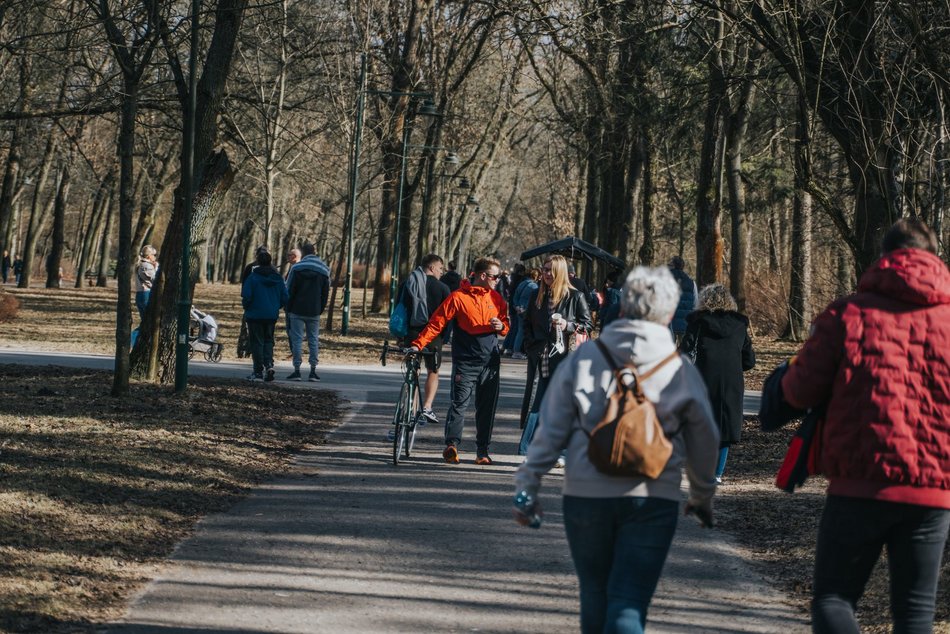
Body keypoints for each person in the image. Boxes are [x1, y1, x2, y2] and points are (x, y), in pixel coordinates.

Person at [514, 265, 720, 634]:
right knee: (628, 601)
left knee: (595, 594)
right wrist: (702, 494)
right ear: (671, 314)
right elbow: (704, 437)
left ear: (622, 308)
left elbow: (551, 429)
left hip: (585, 493)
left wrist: (527, 487)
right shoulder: (679, 369)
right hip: (653, 494)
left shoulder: (585, 358)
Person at [779, 218, 950, 634]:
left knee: (834, 599)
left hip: (859, 481)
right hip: (931, 491)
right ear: (933, 258)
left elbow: (798, 391)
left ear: (884, 258)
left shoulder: (847, 314)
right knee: (915, 612)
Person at [411, 256, 509, 465]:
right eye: (495, 277)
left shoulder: (497, 299)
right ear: (483, 276)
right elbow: (436, 323)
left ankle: (482, 451)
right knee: (459, 404)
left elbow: (506, 324)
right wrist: (418, 344)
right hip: (465, 361)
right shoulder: (458, 297)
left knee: (486, 408)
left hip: (490, 363)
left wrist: (502, 327)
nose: (497, 280)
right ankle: (452, 446)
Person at [679, 283, 755, 483]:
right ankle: (718, 474)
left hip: (702, 378)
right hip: (731, 381)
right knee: (725, 427)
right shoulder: (739, 325)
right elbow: (749, 360)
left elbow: (685, 352)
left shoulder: (698, 323)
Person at [519, 254, 592, 449]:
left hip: (564, 359)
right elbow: (526, 323)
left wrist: (567, 324)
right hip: (540, 356)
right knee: (537, 402)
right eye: (544, 269)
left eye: (551, 270)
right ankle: (527, 448)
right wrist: (530, 344)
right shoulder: (537, 295)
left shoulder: (575, 296)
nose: (547, 274)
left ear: (560, 272)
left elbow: (587, 326)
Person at [398, 253, 450, 426]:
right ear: (432, 267)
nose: (442, 272)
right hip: (434, 336)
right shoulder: (442, 288)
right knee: (432, 371)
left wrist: (401, 336)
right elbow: (447, 317)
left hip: (412, 334)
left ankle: (409, 410)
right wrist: (445, 337)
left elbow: (400, 309)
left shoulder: (408, 283)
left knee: (413, 370)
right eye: (441, 268)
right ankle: (427, 406)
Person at [284, 242, 330, 382]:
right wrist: (320, 307)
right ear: (314, 252)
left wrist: (288, 307)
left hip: (297, 309)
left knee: (297, 339)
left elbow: (289, 288)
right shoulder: (324, 269)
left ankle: (297, 371)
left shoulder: (296, 268)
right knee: (313, 340)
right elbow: (325, 291)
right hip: (314, 309)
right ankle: (313, 371)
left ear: (303, 253)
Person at [241, 249, 287, 382]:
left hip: (255, 315)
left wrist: (247, 307)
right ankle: (269, 365)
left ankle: (258, 371)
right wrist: (275, 306)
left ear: (258, 262)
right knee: (268, 341)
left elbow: (247, 296)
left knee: (256, 342)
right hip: (271, 315)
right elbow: (285, 296)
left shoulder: (253, 277)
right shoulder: (278, 278)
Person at [511, 267, 540, 360]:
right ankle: (517, 351)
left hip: (518, 309)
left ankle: (515, 350)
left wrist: (516, 306)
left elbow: (515, 296)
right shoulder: (534, 287)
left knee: (519, 330)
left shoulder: (522, 283)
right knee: (523, 332)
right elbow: (533, 301)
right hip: (525, 311)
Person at [668, 256, 697, 342]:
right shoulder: (691, 283)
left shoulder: (665, 280)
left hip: (669, 323)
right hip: (685, 323)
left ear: (673, 265)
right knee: (683, 350)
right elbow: (695, 303)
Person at [283, 247, 302, 358]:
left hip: (292, 304)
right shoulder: (294, 268)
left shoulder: (296, 269)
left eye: (289, 255)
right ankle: (294, 351)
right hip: (292, 304)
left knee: (291, 329)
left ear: (294, 257)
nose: (288, 257)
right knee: (291, 329)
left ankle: (295, 352)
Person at [440, 259, 463, 345]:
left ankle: (444, 337)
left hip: (446, 299)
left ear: (449, 267)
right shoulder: (459, 278)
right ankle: (448, 337)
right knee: (453, 320)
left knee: (445, 319)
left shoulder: (444, 277)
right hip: (456, 300)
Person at [135, 245, 158, 321]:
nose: (155, 257)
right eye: (154, 255)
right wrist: (156, 268)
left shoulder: (141, 264)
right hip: (146, 294)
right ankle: (133, 334)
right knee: (148, 322)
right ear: (148, 256)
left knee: (145, 322)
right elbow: (155, 280)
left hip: (141, 294)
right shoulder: (147, 266)